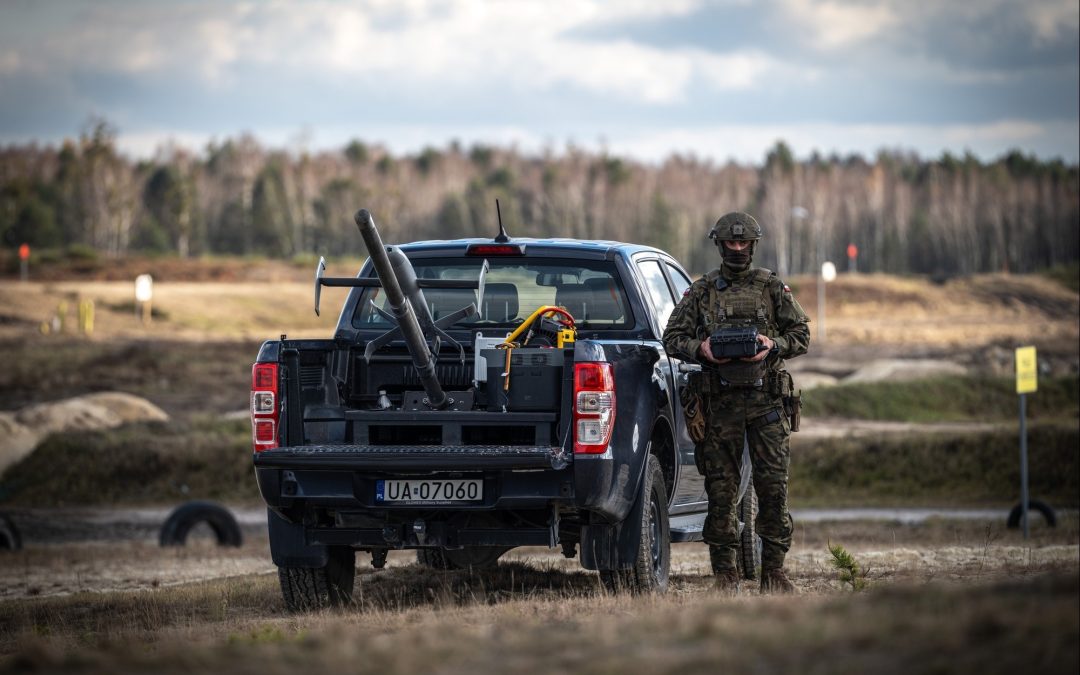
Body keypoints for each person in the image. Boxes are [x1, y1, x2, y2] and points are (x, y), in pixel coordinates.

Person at [662, 211, 810, 593]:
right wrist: (702, 349)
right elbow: (671, 337)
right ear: (720, 244)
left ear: (753, 245)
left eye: (744, 242)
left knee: (773, 490)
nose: (738, 248)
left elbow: (801, 334)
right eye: (731, 241)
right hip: (720, 406)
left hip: (766, 403)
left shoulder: (771, 287)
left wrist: (772, 344)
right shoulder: (702, 291)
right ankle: (725, 575)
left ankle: (774, 572)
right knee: (721, 493)